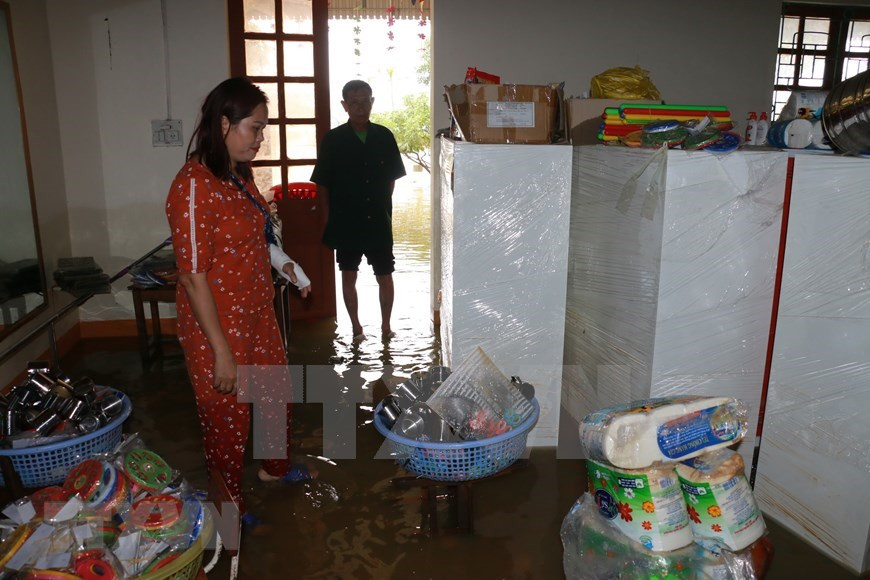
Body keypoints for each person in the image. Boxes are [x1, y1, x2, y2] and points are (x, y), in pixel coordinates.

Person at [165, 77, 312, 518]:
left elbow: (254, 238)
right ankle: (228, 506)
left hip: (257, 311)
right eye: (256, 127)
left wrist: (284, 264)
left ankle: (273, 469)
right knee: (227, 420)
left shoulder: (237, 175)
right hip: (217, 323)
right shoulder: (194, 186)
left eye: (263, 129)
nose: (261, 138)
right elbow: (193, 278)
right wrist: (222, 353)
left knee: (275, 394)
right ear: (225, 124)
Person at [311, 80, 406, 342]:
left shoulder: (384, 136)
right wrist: (327, 219)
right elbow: (323, 183)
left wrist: (381, 204)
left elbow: (392, 178)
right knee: (348, 274)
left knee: (385, 275)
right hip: (346, 220)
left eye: (365, 101)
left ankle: (386, 327)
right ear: (345, 105)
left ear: (372, 102)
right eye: (354, 102)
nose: (361, 107)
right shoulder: (333, 140)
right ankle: (356, 328)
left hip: (378, 220)